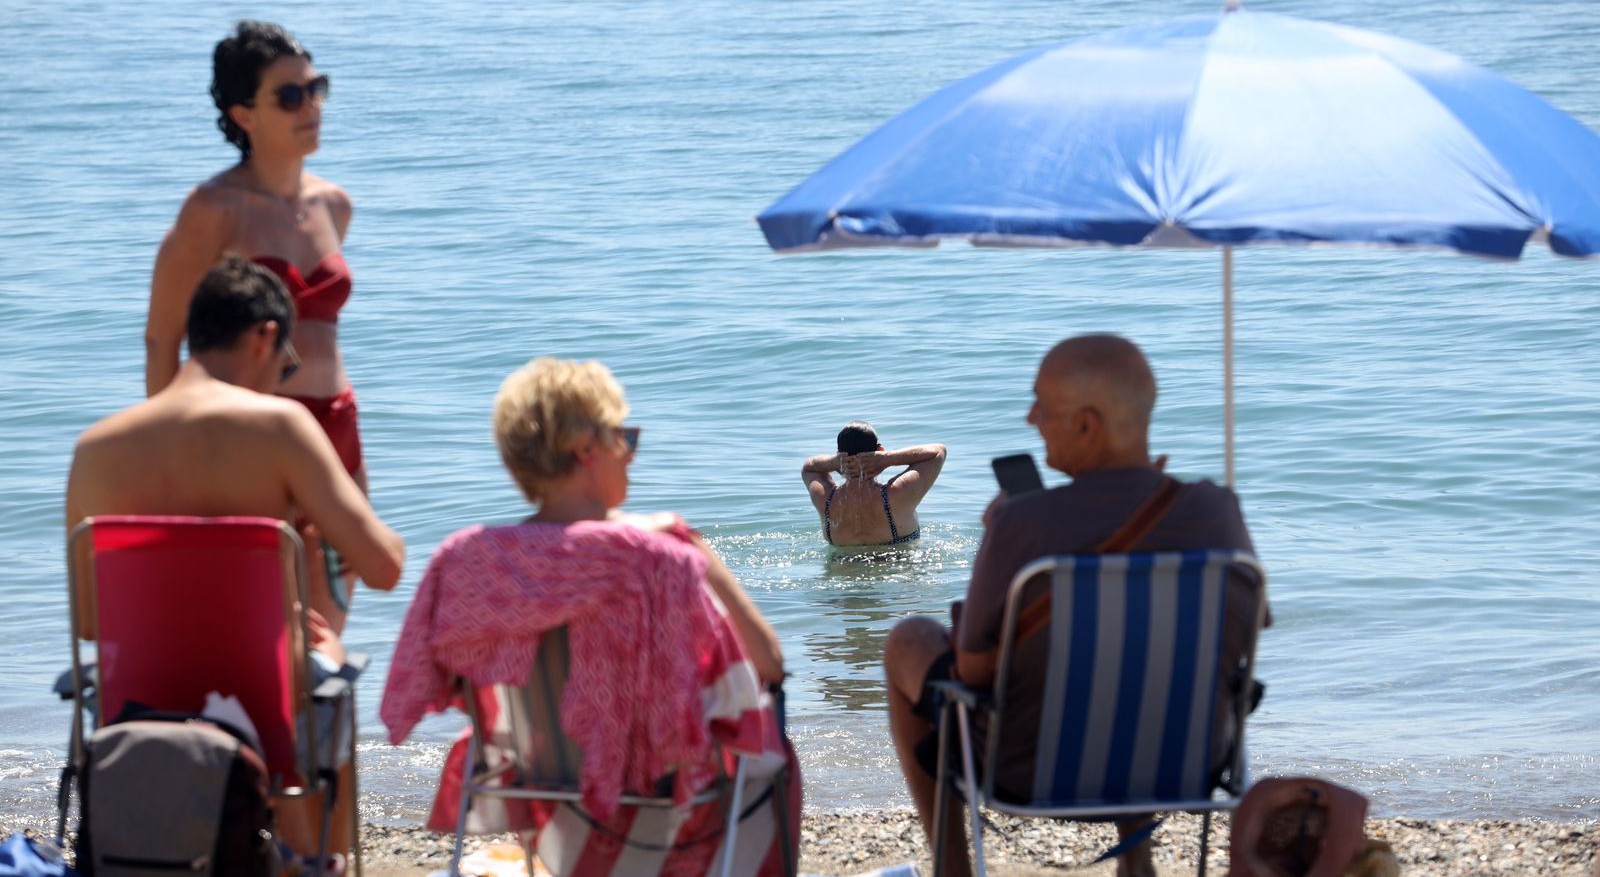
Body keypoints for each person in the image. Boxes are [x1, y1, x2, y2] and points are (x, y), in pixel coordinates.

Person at [381, 358, 799, 874]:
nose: (630, 454)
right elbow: (769, 664)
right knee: (771, 726)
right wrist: (696, 550)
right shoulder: (660, 553)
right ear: (587, 449)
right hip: (671, 790)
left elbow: (441, 678)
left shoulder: (467, 559)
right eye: (624, 437)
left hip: (544, 784)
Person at [882, 334, 1269, 877]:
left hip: (1029, 766)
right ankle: (1137, 860)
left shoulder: (1023, 522)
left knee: (908, 639)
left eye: (1041, 404)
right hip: (1189, 760)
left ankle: (953, 870)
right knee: (1139, 655)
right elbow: (1245, 636)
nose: (1030, 417)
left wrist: (998, 534)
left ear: (1087, 424)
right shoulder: (1215, 510)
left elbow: (972, 668)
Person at [68, 256, 404, 868]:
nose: (284, 380)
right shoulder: (281, 427)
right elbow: (382, 567)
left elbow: (89, 624)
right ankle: (319, 862)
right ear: (266, 336)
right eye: (287, 365)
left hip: (133, 713)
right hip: (262, 711)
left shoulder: (97, 447)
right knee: (330, 684)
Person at [143, 20, 366, 632]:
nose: (311, 106)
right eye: (289, 96)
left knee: (329, 622)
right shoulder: (213, 209)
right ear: (245, 114)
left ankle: (321, 731)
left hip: (336, 422)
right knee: (257, 621)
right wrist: (170, 452)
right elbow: (164, 336)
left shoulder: (334, 205)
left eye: (315, 88)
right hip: (249, 433)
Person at [802, 422, 946, 545]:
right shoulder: (898, 493)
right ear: (880, 451)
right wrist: (889, 458)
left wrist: (834, 462)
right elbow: (938, 452)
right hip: (895, 567)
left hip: (842, 568)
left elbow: (809, 467)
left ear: (839, 453)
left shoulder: (825, 498)